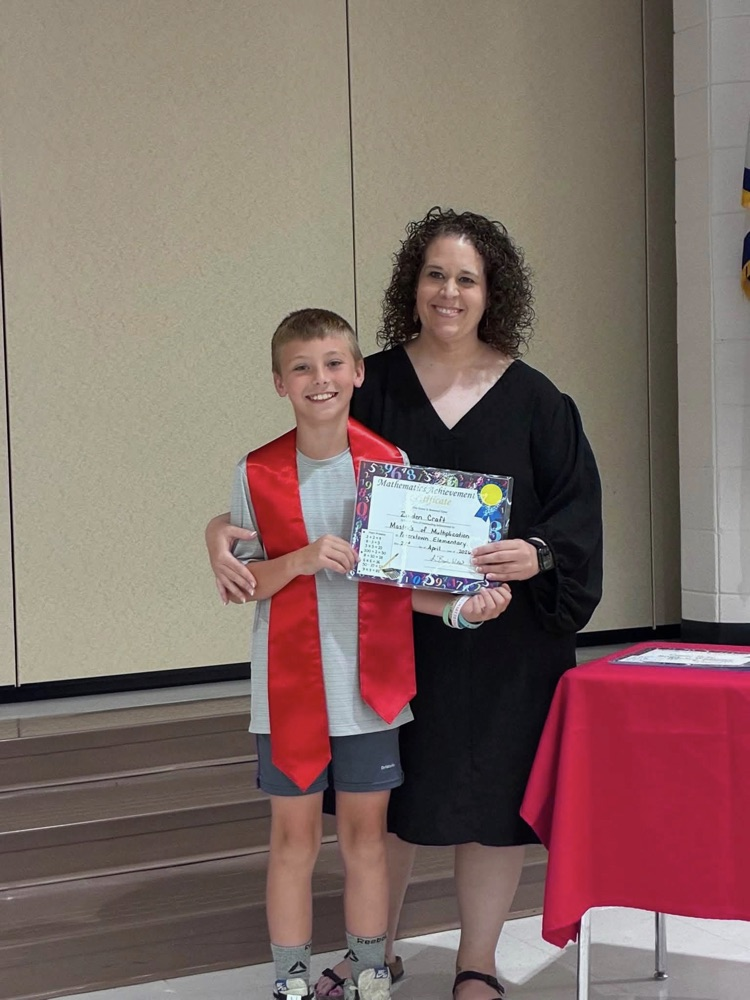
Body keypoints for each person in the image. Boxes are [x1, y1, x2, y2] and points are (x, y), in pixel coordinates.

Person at [208, 211, 603, 1000]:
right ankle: (370, 957)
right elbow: (289, 483)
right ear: (410, 287)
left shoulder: (536, 400)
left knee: (492, 800)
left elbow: (576, 516)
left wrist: (537, 554)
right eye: (434, 274)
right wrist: (219, 529)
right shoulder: (369, 381)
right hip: (378, 643)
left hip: (501, 638)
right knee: (383, 808)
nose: (448, 291)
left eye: (466, 277)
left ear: (493, 292)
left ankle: (477, 964)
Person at [225, 307, 512, 1000]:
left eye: (332, 364)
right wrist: (298, 560)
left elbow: (398, 584)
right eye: (301, 368)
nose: (318, 379)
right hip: (286, 691)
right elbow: (243, 584)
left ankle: (371, 970)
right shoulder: (254, 471)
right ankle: (290, 980)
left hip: (368, 688)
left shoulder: (392, 466)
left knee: (366, 841)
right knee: (292, 842)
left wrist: (458, 610)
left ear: (357, 372)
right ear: (278, 383)